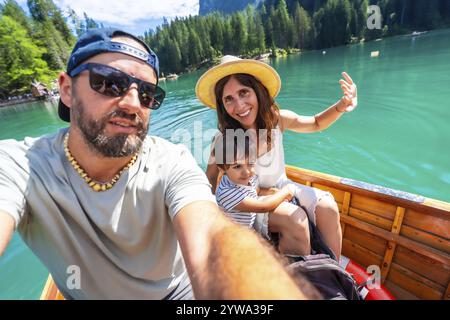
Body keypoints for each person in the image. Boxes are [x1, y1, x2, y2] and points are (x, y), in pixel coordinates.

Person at [0, 29, 310, 300]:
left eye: (147, 93)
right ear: (67, 89)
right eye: (110, 83)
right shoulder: (20, 165)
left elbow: (210, 238)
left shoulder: (172, 162)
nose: (133, 103)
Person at [196, 55, 359, 260]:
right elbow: (210, 180)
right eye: (229, 99)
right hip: (250, 202)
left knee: (328, 206)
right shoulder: (224, 141)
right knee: (295, 219)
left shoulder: (278, 120)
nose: (239, 105)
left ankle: (333, 276)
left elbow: (316, 123)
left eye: (244, 92)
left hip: (283, 186)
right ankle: (297, 281)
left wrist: (342, 105)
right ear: (222, 105)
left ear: (257, 90)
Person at [214, 133, 311, 255]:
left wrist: (271, 192)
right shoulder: (227, 192)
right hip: (232, 239)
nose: (247, 171)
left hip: (247, 231)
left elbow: (257, 191)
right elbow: (263, 207)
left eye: (250, 163)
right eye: (237, 166)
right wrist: (284, 191)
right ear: (223, 169)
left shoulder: (250, 178)